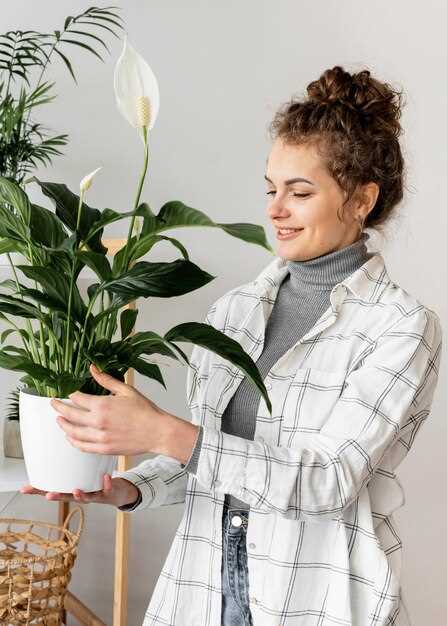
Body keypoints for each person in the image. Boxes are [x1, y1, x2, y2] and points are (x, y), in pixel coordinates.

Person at [21, 65, 443, 626]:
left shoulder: (400, 327)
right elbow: (212, 458)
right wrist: (126, 488)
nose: (274, 209)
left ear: (362, 199)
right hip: (205, 582)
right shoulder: (237, 310)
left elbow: (328, 479)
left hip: (315, 596)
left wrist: (164, 431)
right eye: (271, 189)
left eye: (300, 192)